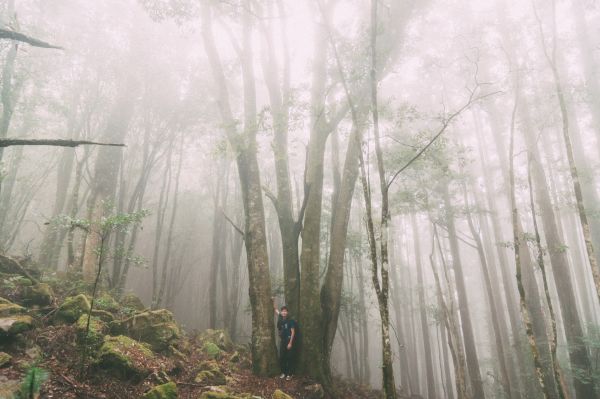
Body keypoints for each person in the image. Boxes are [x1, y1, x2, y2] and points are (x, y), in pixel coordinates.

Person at [273, 300, 297, 381]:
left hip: (289, 340)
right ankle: (283, 373)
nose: (284, 313)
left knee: (289, 357)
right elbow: (275, 309)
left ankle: (290, 374)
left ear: (287, 312)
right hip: (283, 341)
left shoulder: (291, 320)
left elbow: (293, 332)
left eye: (285, 311)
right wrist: (273, 301)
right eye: (282, 311)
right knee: (282, 357)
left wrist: (290, 343)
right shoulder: (281, 317)